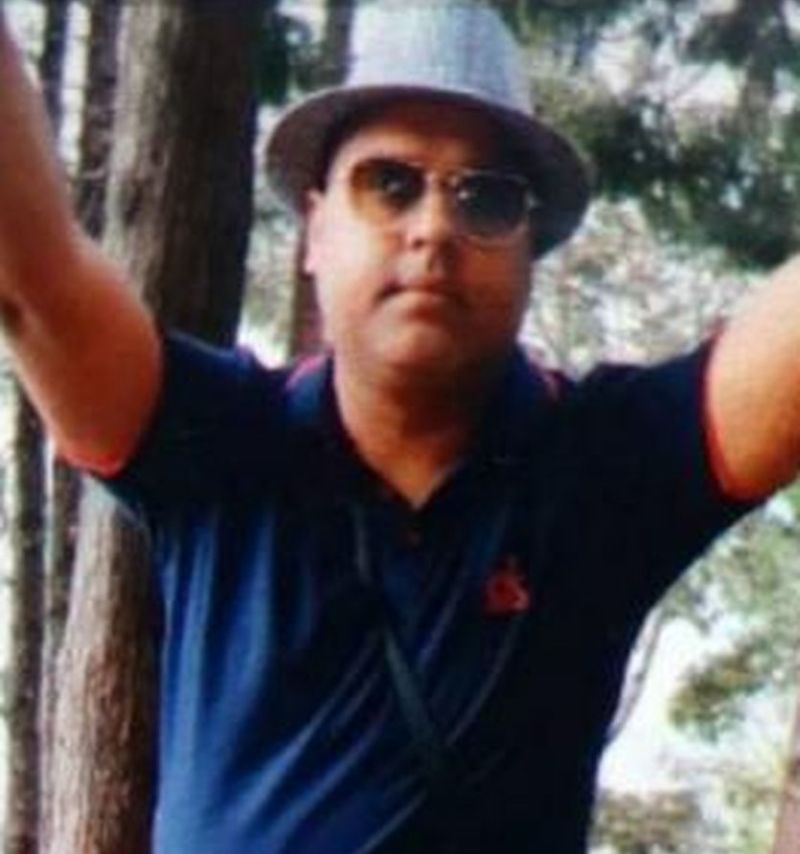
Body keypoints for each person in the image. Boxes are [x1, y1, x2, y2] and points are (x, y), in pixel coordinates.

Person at [1, 1, 799, 851]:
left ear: (529, 251)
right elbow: (28, 280)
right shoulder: (220, 445)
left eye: (486, 198)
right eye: (390, 183)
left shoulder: (604, 466)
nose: (435, 229)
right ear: (314, 230)